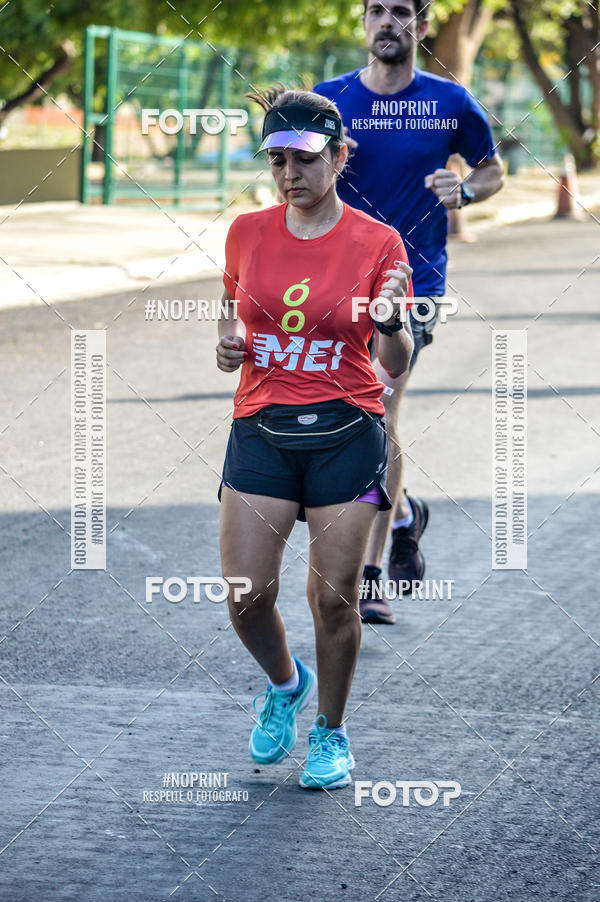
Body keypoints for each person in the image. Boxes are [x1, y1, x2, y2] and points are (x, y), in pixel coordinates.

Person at [216, 86, 414, 789]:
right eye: (276, 160)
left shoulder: (379, 243)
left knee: (332, 600)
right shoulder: (246, 232)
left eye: (302, 159)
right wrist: (228, 344)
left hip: (345, 430)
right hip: (261, 428)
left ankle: (331, 732)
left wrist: (390, 322)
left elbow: (395, 366)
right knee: (244, 594)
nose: (288, 175)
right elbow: (229, 315)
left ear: (338, 156)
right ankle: (285, 684)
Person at [314, 0, 504, 624]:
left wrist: (467, 190)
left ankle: (369, 575)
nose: (388, 22)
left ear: (421, 26)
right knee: (336, 410)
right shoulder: (329, 100)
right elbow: (297, 178)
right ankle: (403, 512)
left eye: (402, 12)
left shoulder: (449, 100)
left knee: (377, 403)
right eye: (377, 11)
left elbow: (492, 169)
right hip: (335, 282)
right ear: (363, 23)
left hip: (412, 282)